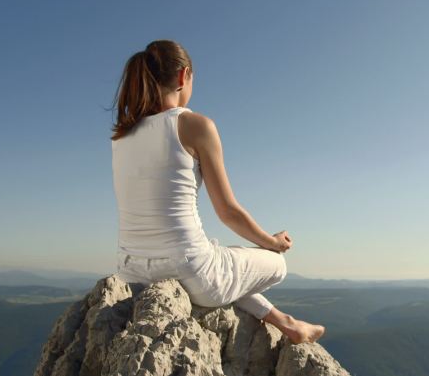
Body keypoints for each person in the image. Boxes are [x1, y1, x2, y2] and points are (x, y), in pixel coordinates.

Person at [109, 39, 324, 344]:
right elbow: (228, 212)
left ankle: (287, 323)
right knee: (275, 265)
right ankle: (288, 322)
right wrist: (272, 243)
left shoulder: (121, 137)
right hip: (194, 273)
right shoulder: (195, 125)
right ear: (184, 76)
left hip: (133, 274)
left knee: (229, 263)